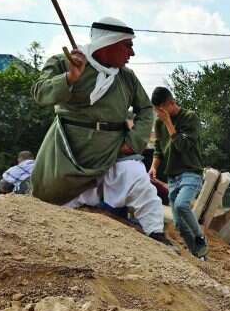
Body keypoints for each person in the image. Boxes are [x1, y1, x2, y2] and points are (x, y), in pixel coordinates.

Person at [29, 17, 168, 244]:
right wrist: (70, 77)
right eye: (128, 45)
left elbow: (144, 108)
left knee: (139, 182)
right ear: (109, 43)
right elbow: (40, 93)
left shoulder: (127, 77)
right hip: (69, 154)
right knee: (51, 201)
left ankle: (156, 235)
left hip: (112, 152)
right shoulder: (64, 62)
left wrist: (134, 141)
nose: (131, 53)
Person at [149, 87, 208, 259]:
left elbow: (183, 146)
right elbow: (159, 149)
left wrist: (168, 122)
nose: (159, 114)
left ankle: (200, 237)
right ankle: (199, 255)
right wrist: (153, 166)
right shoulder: (159, 123)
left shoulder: (190, 118)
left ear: (171, 103)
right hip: (172, 177)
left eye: (161, 110)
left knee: (182, 205)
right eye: (156, 111)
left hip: (191, 171)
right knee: (180, 225)